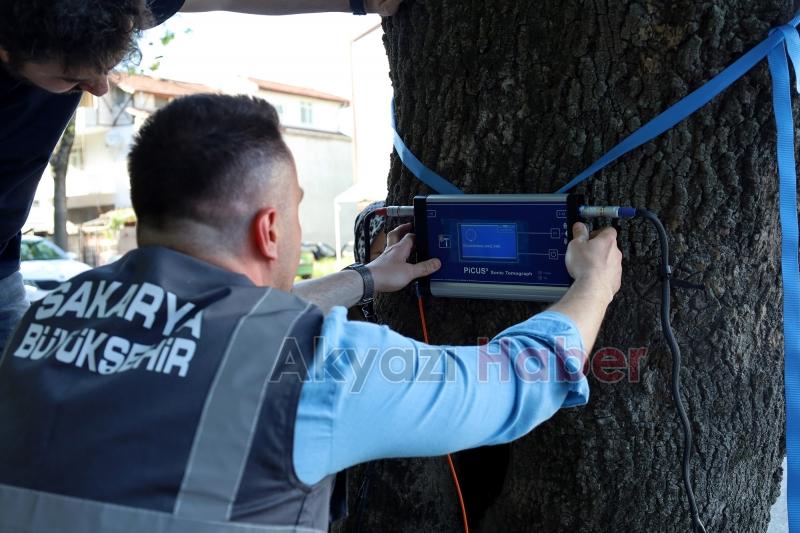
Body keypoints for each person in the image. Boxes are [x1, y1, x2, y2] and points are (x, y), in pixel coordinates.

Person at [0, 94, 622, 532]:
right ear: (270, 229)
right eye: (296, 210)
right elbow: (511, 386)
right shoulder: (317, 363)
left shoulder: (45, 321)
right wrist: (592, 289)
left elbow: (212, 334)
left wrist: (366, 280)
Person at [0, 0, 404, 354]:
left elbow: (236, 319)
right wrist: (368, 279)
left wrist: (356, 0)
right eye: (73, 78)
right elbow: (240, 321)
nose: (100, 88)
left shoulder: (63, 326)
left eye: (107, 64)